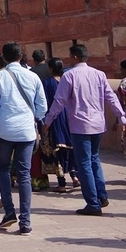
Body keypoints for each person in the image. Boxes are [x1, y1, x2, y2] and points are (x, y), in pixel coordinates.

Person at [43, 43, 125, 217]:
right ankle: (101, 195)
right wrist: (121, 116)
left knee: (85, 164)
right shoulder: (99, 74)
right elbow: (111, 97)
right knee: (94, 159)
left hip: (81, 125)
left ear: (74, 57)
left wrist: (48, 120)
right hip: (97, 124)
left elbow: (59, 101)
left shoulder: (69, 75)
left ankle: (93, 203)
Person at [0, 42, 46, 236]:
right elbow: (42, 107)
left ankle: (9, 211)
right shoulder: (33, 76)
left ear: (3, 56)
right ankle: (25, 221)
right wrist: (32, 119)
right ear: (21, 56)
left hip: (5, 130)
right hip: (26, 131)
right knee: (24, 175)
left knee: (2, 169)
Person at [41, 58, 76, 193]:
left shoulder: (47, 83)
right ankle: (74, 176)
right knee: (71, 148)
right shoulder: (68, 80)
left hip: (55, 117)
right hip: (70, 117)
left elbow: (44, 102)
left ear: (50, 69)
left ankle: (62, 182)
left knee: (57, 150)